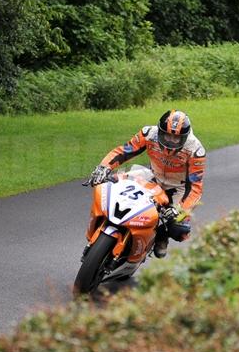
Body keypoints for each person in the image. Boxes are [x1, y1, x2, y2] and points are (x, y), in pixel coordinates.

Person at [84, 110, 206, 258]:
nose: (170, 141)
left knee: (180, 229)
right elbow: (125, 150)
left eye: (176, 138)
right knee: (109, 183)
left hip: (177, 187)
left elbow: (195, 188)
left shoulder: (196, 150)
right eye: (167, 135)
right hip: (151, 177)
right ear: (160, 131)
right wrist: (103, 167)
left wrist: (179, 209)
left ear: (185, 137)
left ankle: (161, 235)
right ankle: (99, 230)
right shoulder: (148, 133)